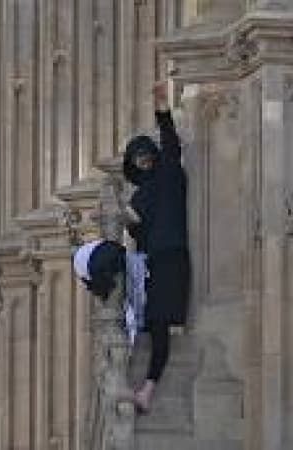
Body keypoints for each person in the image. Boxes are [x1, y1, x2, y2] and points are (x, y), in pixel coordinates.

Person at [122, 80, 190, 413]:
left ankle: (148, 389)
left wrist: (161, 105)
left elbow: (170, 139)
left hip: (172, 258)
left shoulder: (169, 173)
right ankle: (143, 388)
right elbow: (135, 230)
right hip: (153, 263)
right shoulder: (138, 195)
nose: (144, 161)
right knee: (151, 323)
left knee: (160, 322)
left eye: (147, 155)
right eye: (138, 159)